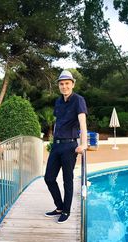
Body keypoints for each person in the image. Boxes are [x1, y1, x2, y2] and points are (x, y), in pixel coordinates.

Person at [44, 70, 88, 224]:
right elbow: (58, 122)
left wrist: (83, 144)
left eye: (67, 83)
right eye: (61, 84)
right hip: (56, 145)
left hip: (70, 145)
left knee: (67, 180)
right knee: (49, 178)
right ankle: (59, 206)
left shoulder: (78, 100)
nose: (64, 86)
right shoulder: (58, 101)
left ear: (72, 84)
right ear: (59, 86)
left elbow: (82, 122)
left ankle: (66, 210)